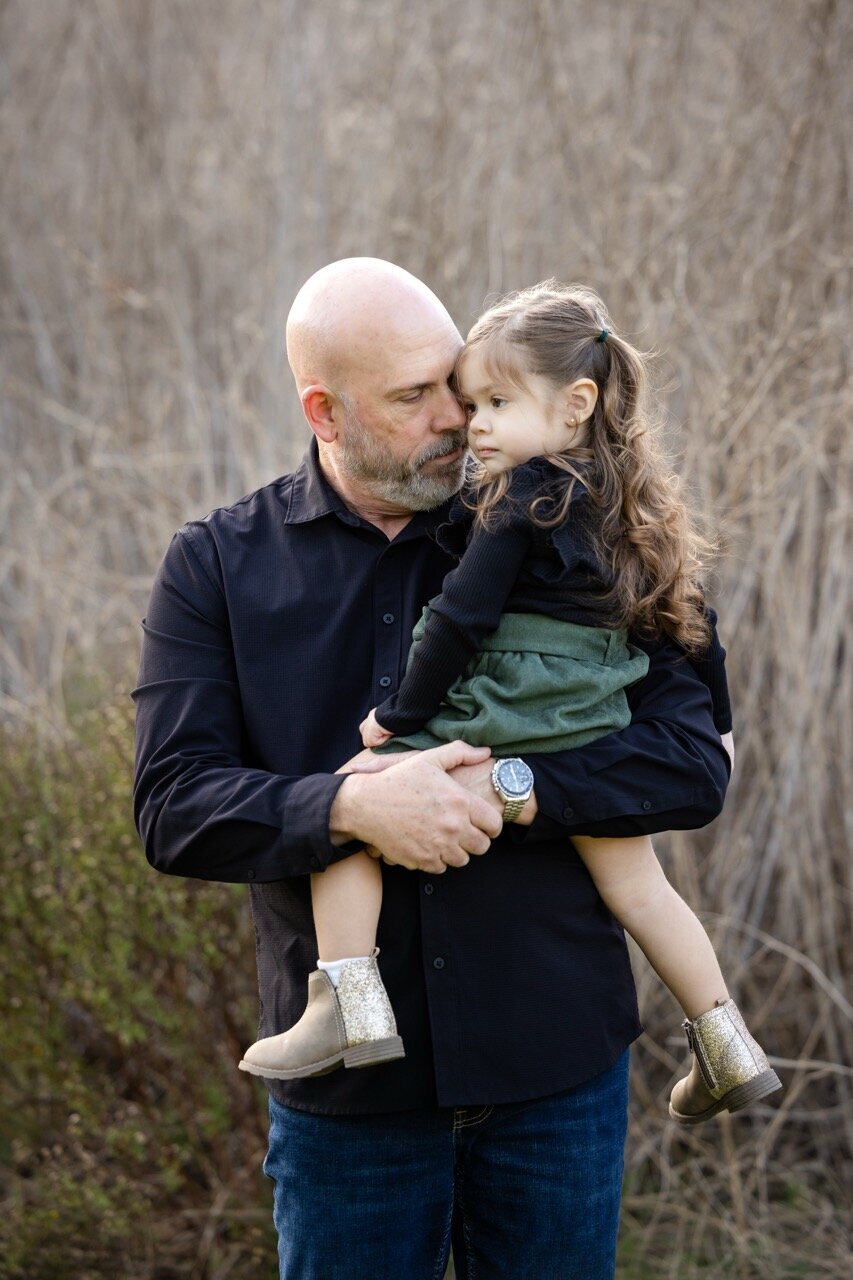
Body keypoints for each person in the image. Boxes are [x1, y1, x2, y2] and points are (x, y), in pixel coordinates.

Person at [133, 258, 735, 1280]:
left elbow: (691, 763)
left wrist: (511, 790)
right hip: (351, 1118)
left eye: (457, 383)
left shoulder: (566, 527)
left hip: (556, 1074)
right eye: (414, 398)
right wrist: (351, 807)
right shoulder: (217, 566)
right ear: (325, 410)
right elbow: (173, 805)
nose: (457, 417)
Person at [238, 279, 781, 1129]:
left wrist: (396, 719)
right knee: (639, 887)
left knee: (353, 798)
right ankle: (724, 1041)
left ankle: (349, 998)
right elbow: (691, 620)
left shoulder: (518, 498)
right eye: (459, 400)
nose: (471, 423)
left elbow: (458, 618)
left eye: (491, 402)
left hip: (514, 697)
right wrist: (720, 721)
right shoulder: (630, 499)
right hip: (596, 709)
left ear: (573, 406)